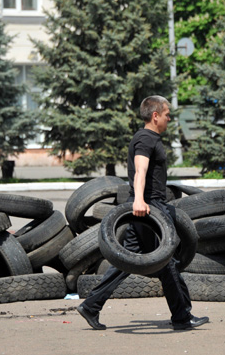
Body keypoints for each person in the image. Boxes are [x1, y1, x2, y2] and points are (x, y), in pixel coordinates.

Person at [77, 95, 209, 331]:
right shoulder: (145, 139)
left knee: (130, 260)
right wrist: (139, 200)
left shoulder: (150, 138)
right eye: (167, 114)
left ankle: (91, 305)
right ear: (155, 115)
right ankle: (182, 317)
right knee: (167, 259)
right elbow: (140, 171)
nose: (170, 118)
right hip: (148, 208)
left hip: (148, 208)